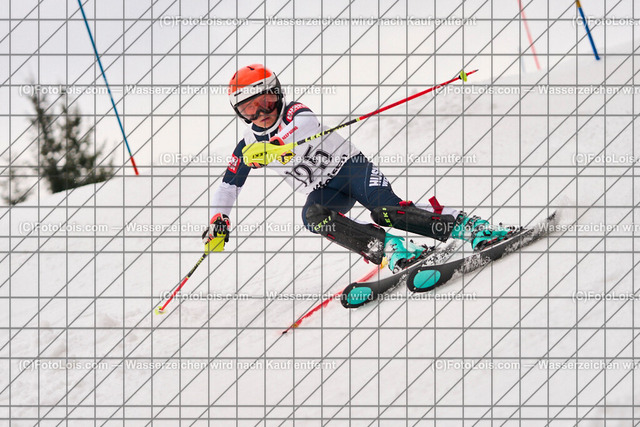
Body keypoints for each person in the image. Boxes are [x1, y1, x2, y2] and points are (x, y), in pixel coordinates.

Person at [202, 64, 515, 272]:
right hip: (325, 191)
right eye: (249, 109)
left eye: (266, 102)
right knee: (312, 217)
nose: (261, 113)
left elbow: (305, 125)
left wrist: (274, 147)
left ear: (278, 94)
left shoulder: (294, 112)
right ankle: (390, 248)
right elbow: (229, 186)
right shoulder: (247, 146)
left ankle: (469, 227)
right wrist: (219, 219)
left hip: (352, 169)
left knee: (387, 212)